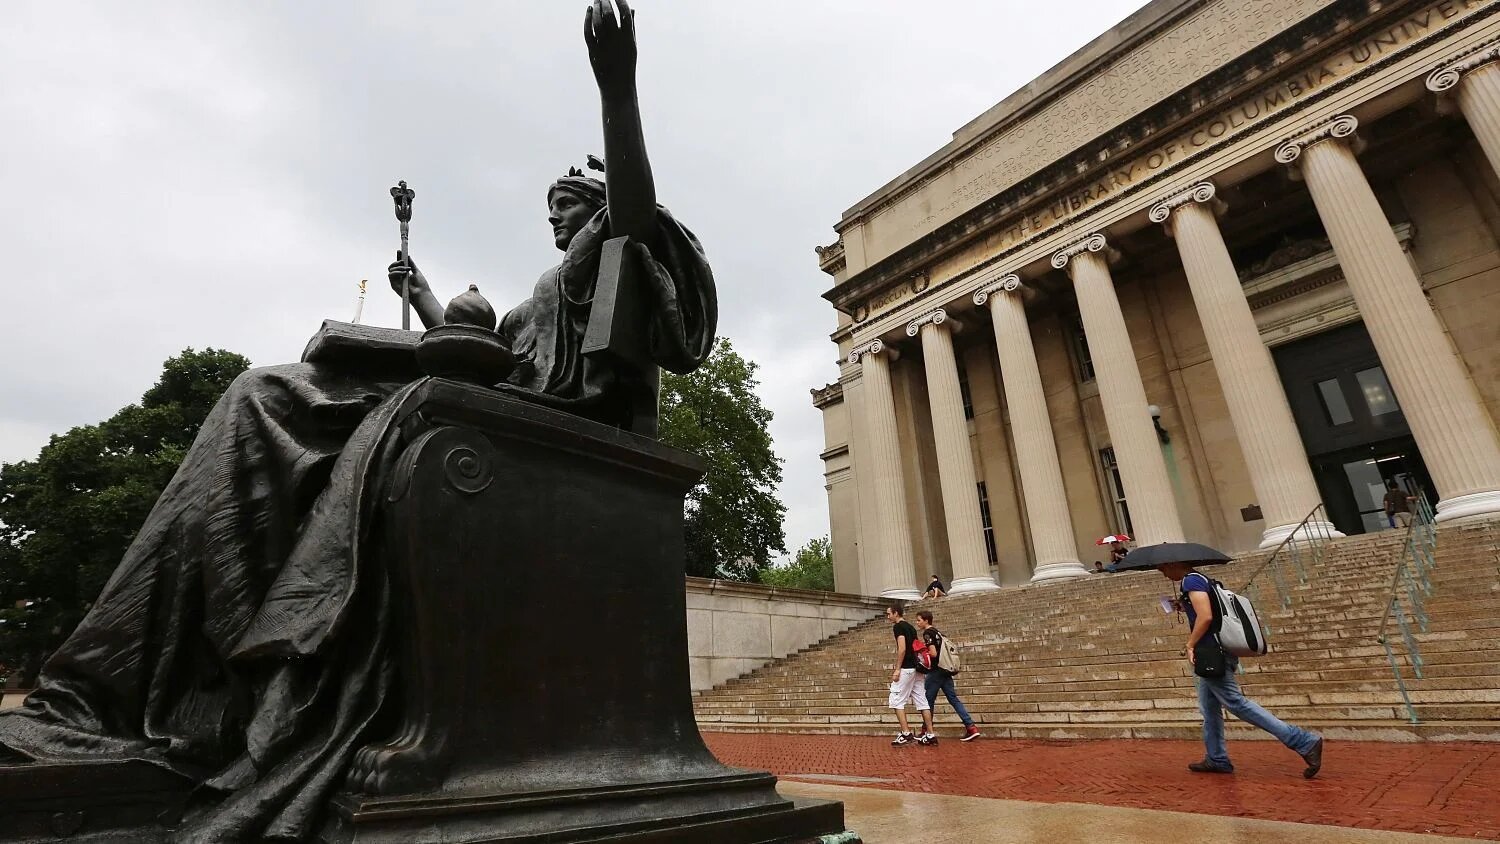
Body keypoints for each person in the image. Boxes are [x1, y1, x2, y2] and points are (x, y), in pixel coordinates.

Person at [0, 3, 716, 840]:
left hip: (541, 431)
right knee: (263, 395)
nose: (555, 217)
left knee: (297, 406)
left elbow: (632, 214)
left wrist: (616, 89)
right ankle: (125, 689)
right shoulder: (546, 288)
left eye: (567, 203)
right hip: (493, 409)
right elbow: (487, 346)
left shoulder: (623, 245)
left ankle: (266, 660)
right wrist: (420, 298)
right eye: (551, 207)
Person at [1158, 562, 1324, 778]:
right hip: (1215, 651)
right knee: (1209, 708)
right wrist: (1184, 605)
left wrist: (1190, 644)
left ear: (1174, 564)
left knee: (1236, 703)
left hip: (1212, 652)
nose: (1162, 573)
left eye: (1163, 568)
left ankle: (1303, 741)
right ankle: (1217, 758)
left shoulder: (1191, 580)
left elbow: (1206, 616)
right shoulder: (1200, 580)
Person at [914, 611, 981, 741]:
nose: (917, 623)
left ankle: (925, 731)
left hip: (936, 671)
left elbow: (933, 653)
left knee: (927, 702)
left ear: (926, 620)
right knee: (953, 699)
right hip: (945, 669)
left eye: (919, 620)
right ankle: (971, 727)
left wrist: (922, 653)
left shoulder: (928, 633)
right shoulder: (938, 633)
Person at [884, 605, 935, 746]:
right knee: (922, 700)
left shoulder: (898, 627)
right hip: (916, 667)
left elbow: (902, 648)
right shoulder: (911, 627)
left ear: (896, 613)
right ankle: (930, 734)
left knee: (896, 699)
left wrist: (897, 669)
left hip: (906, 667)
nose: (888, 617)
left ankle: (906, 733)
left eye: (889, 614)